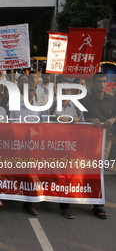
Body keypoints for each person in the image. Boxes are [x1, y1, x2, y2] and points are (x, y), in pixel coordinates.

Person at [80, 73, 116, 219]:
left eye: (104, 81)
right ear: (92, 83)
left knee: (99, 171)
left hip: (106, 139)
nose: (102, 84)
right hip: (88, 140)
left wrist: (113, 119)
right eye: (99, 81)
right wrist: (89, 120)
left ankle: (98, 204)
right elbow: (78, 118)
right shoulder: (84, 100)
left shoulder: (112, 100)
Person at [49, 82, 85, 219]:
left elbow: (83, 123)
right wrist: (55, 118)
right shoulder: (51, 105)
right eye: (63, 90)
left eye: (68, 90)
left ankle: (64, 206)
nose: (66, 93)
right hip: (53, 145)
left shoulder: (77, 107)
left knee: (68, 175)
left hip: (71, 147)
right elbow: (43, 119)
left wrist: (77, 119)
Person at [9, 82, 46, 216]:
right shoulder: (15, 106)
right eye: (28, 90)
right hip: (19, 146)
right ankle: (15, 195)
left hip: (34, 147)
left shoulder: (40, 107)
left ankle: (29, 203)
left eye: (32, 90)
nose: (31, 93)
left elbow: (43, 125)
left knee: (32, 173)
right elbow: (11, 126)